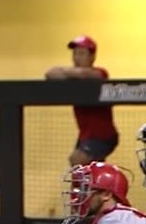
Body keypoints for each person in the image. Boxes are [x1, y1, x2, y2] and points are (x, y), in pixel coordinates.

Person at [45, 35, 119, 167]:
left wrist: (66, 72)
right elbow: (50, 73)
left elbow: (84, 74)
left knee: (76, 160)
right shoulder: (72, 77)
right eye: (75, 54)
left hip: (102, 136)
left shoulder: (100, 73)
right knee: (88, 172)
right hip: (85, 136)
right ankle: (96, 188)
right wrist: (68, 73)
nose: (77, 58)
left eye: (81, 53)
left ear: (92, 57)